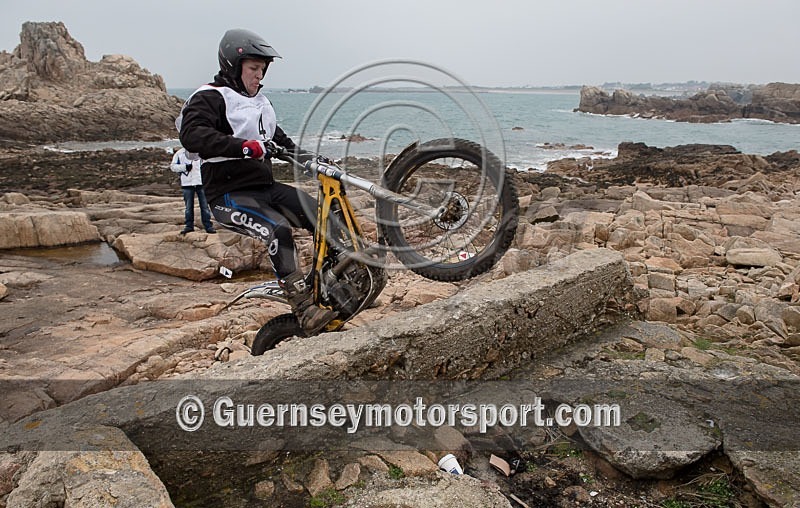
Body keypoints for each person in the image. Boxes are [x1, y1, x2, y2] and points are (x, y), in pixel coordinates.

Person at [176, 28, 334, 334]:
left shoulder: (260, 102)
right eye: (253, 69)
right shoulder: (210, 96)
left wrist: (311, 161)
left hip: (265, 189)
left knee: (323, 213)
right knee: (278, 230)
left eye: (262, 70)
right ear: (232, 66)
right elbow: (192, 134)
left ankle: (334, 285)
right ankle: (303, 309)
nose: (258, 76)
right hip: (228, 196)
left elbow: (281, 142)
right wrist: (242, 147)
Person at [169, 147, 216, 235]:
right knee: (188, 207)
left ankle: (208, 226)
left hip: (201, 182)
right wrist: (184, 167)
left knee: (205, 207)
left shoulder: (202, 151)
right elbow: (173, 166)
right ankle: (189, 226)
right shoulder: (180, 153)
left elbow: (209, 165)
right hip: (187, 183)